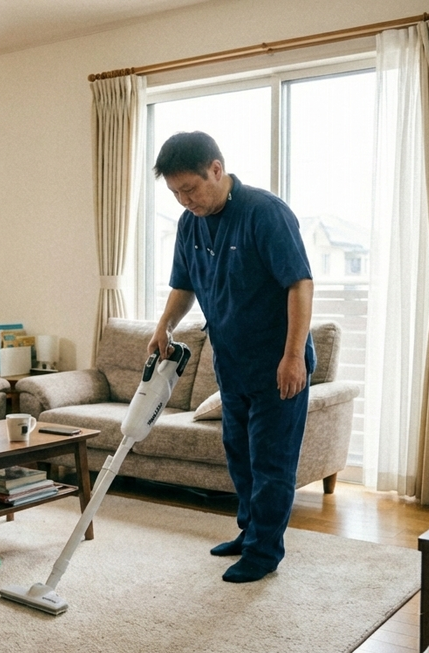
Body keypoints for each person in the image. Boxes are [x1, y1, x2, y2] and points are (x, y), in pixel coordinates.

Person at [148, 131, 315, 583]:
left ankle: (265, 552)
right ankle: (250, 532)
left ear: (216, 170)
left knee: (271, 461)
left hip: (279, 362)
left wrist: (294, 356)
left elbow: (299, 283)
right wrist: (164, 325)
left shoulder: (265, 213)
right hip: (232, 362)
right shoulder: (190, 223)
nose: (185, 200)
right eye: (176, 193)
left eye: (190, 189)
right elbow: (184, 285)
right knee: (239, 456)